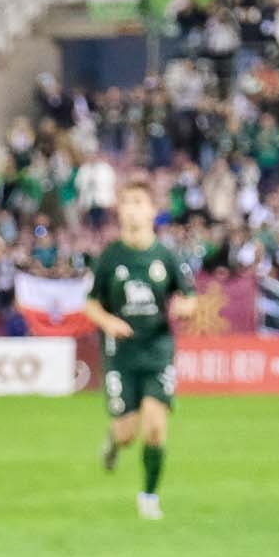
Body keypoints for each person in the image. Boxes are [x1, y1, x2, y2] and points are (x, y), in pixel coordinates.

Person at [85, 179, 198, 519]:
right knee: (126, 433)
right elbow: (90, 305)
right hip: (121, 354)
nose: (132, 208)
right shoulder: (110, 257)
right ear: (119, 211)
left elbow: (190, 297)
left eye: (139, 202)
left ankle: (148, 496)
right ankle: (113, 440)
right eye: (127, 202)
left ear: (151, 211)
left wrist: (184, 308)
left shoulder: (167, 256)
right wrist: (108, 323)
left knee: (154, 427)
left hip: (157, 349)